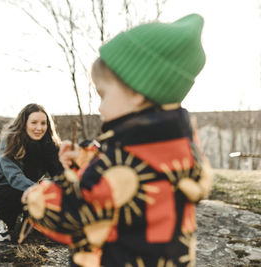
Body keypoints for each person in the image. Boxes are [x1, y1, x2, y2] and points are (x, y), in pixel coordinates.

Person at [23, 14, 213, 267]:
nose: (101, 107)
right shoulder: (182, 146)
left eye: (103, 95)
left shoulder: (124, 161)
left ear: (137, 92)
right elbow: (118, 187)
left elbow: (74, 210)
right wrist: (82, 161)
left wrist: (34, 197)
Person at [0, 103, 63, 241]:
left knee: (57, 191)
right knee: (22, 194)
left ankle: (32, 220)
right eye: (34, 122)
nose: (39, 128)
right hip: (3, 191)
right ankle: (2, 219)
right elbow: (15, 177)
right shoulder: (10, 141)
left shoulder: (49, 144)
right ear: (24, 123)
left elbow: (59, 173)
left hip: (31, 190)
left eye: (43, 123)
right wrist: (40, 191)